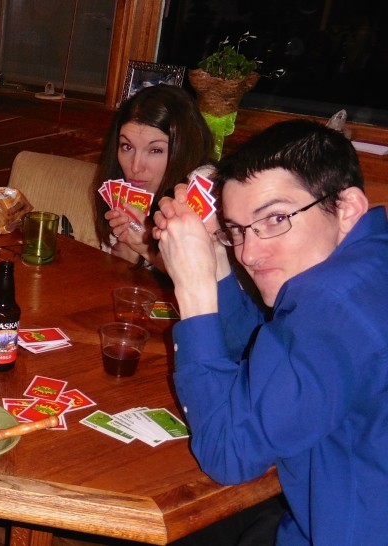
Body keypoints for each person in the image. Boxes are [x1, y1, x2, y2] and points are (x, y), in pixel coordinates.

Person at [153, 120, 388, 544]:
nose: (250, 251)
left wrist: (192, 287)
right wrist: (215, 260)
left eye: (276, 218)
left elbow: (229, 454)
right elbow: (273, 353)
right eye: (238, 229)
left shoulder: (332, 303)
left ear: (347, 208)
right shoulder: (366, 267)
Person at [93, 84, 213, 271]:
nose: (135, 166)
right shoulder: (118, 190)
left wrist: (147, 250)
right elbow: (112, 281)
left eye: (155, 150)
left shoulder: (202, 186)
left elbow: (209, 285)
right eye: (127, 147)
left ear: (183, 150)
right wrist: (127, 249)